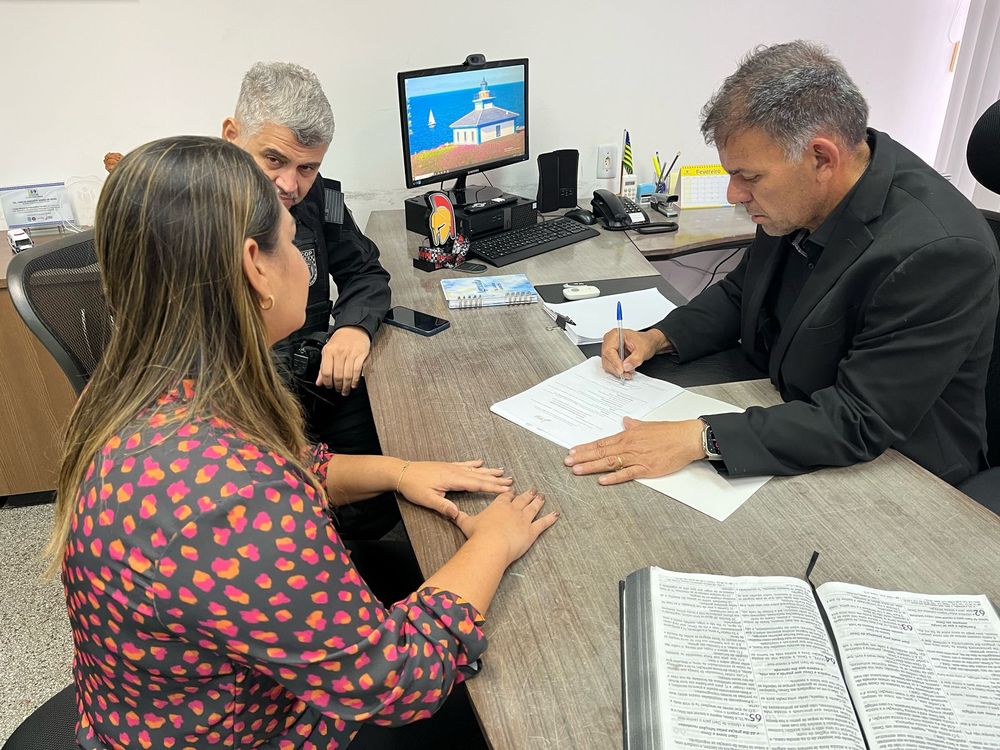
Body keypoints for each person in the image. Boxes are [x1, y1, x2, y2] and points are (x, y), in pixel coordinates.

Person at [54, 135, 558, 749]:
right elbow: (397, 681)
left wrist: (398, 471)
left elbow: (294, 465)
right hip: (253, 732)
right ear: (256, 266)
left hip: (151, 711)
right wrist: (494, 542)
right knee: (511, 698)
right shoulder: (235, 498)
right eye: (293, 243)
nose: (302, 259)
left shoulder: (135, 394)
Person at [566, 40, 999, 487]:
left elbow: (860, 418)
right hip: (787, 404)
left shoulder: (941, 251)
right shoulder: (803, 194)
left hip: (898, 468)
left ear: (822, 158)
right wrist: (657, 338)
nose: (735, 194)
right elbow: (741, 292)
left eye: (749, 177)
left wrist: (701, 437)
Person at [222, 62, 397, 539]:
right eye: (273, 160)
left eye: (307, 167)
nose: (289, 186)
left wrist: (353, 327)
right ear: (233, 136)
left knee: (394, 462)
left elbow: (365, 271)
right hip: (243, 397)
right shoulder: (196, 216)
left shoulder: (319, 198)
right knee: (291, 510)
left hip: (315, 376)